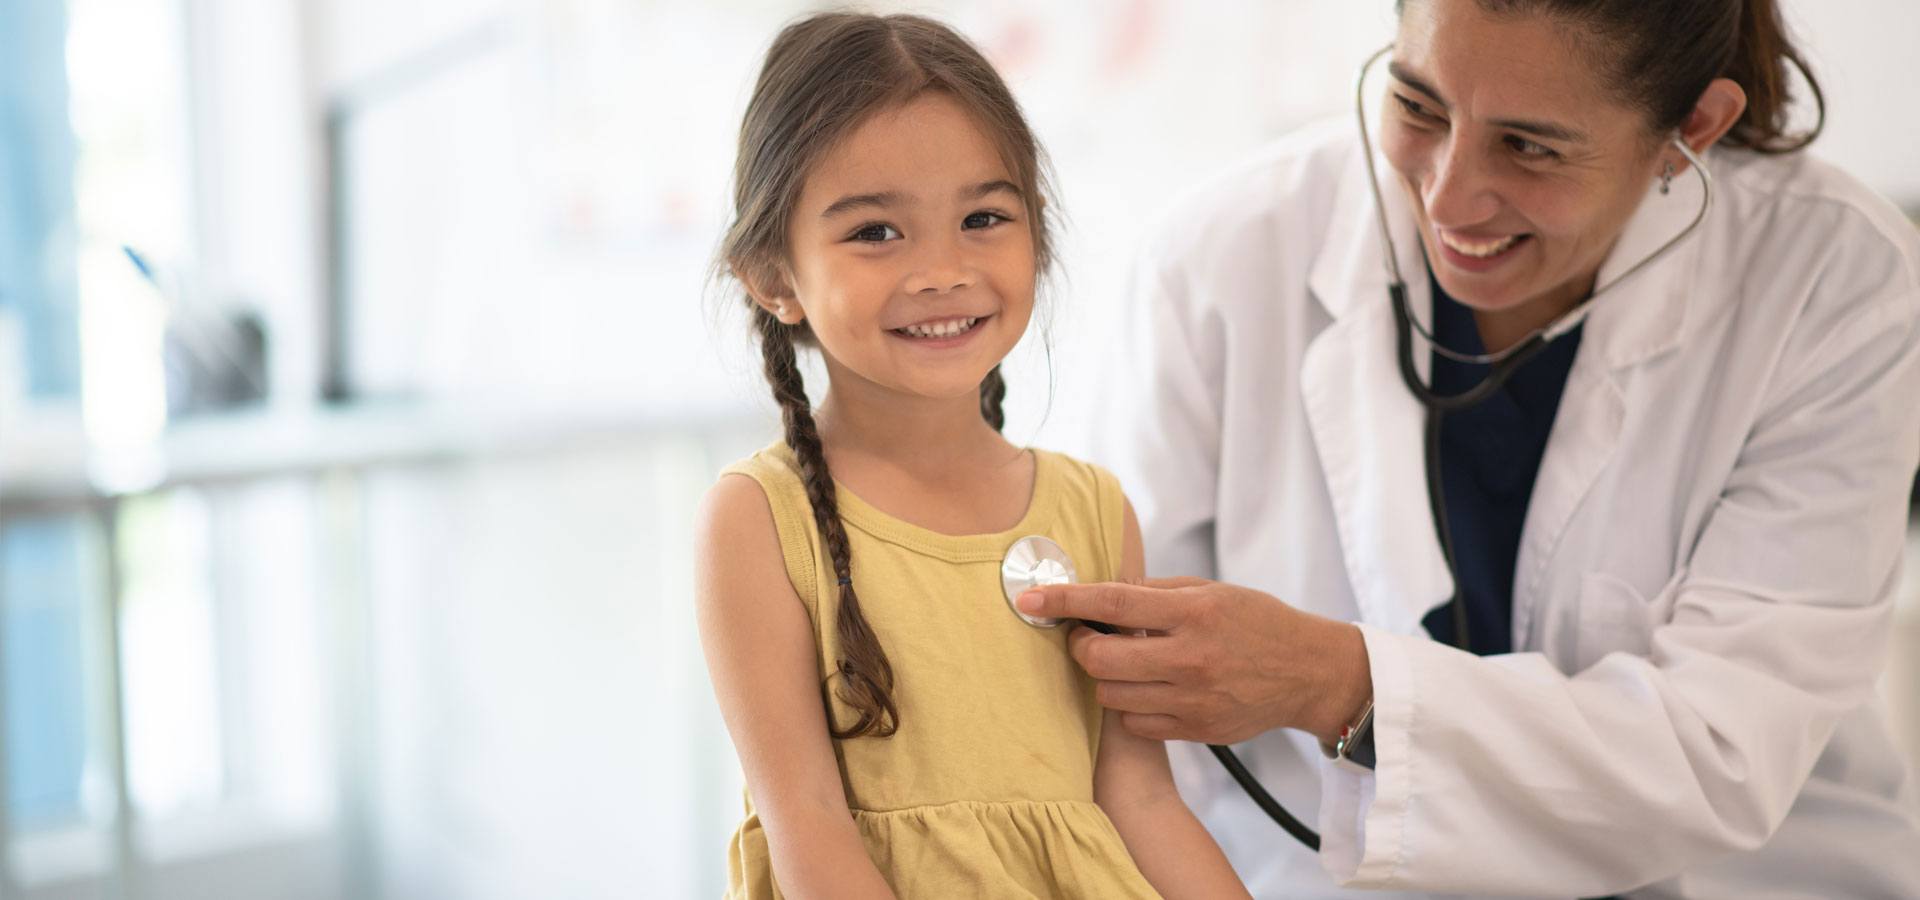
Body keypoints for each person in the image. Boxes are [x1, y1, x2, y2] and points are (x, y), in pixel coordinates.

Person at [1015, 0, 1920, 895]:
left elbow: (1721, 749)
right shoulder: (1222, 256)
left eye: (1530, 147)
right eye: (1418, 106)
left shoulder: (1834, 282)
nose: (1447, 196)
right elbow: (1121, 726)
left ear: (1694, 124)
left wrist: (1338, 683)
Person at [692, 13, 1249, 899]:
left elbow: (1141, 799)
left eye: (983, 217)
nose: (942, 270)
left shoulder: (1094, 508)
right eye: (876, 232)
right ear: (773, 275)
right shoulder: (759, 519)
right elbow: (807, 827)